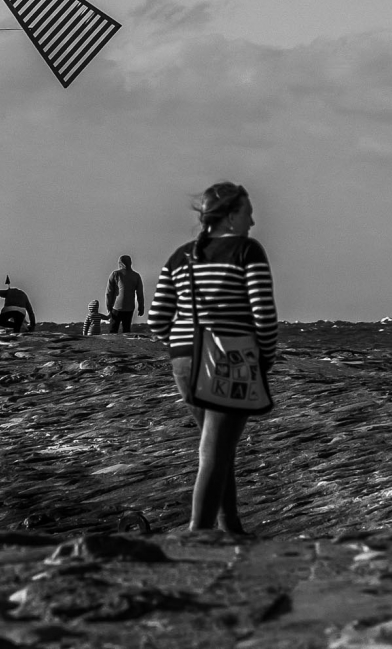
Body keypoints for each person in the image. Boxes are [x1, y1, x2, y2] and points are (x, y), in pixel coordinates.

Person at [147, 182, 277, 534]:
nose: (252, 222)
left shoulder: (180, 256)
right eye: (248, 214)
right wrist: (264, 358)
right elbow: (264, 314)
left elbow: (157, 318)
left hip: (183, 361)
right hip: (228, 359)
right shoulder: (246, 250)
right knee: (214, 452)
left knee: (219, 447)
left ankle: (230, 527)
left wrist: (181, 344)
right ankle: (199, 535)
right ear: (231, 216)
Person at [105, 255, 144, 333]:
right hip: (129, 307)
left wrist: (108, 306)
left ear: (120, 263)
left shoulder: (115, 274)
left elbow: (109, 292)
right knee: (126, 330)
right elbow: (140, 293)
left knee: (113, 330)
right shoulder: (136, 276)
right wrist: (141, 307)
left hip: (116, 307)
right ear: (130, 263)